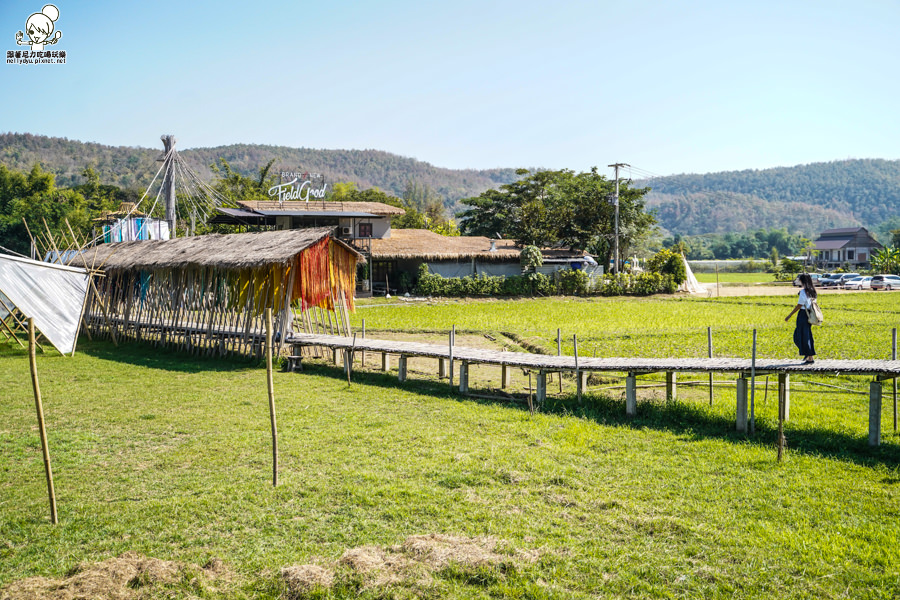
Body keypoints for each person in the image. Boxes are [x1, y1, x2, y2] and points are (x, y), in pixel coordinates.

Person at [785, 273, 817, 363]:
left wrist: (790, 315)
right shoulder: (813, 291)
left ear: (803, 281)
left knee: (798, 336)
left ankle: (808, 355)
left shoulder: (803, 292)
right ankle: (809, 356)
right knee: (807, 335)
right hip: (810, 314)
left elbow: (800, 305)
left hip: (803, 314)